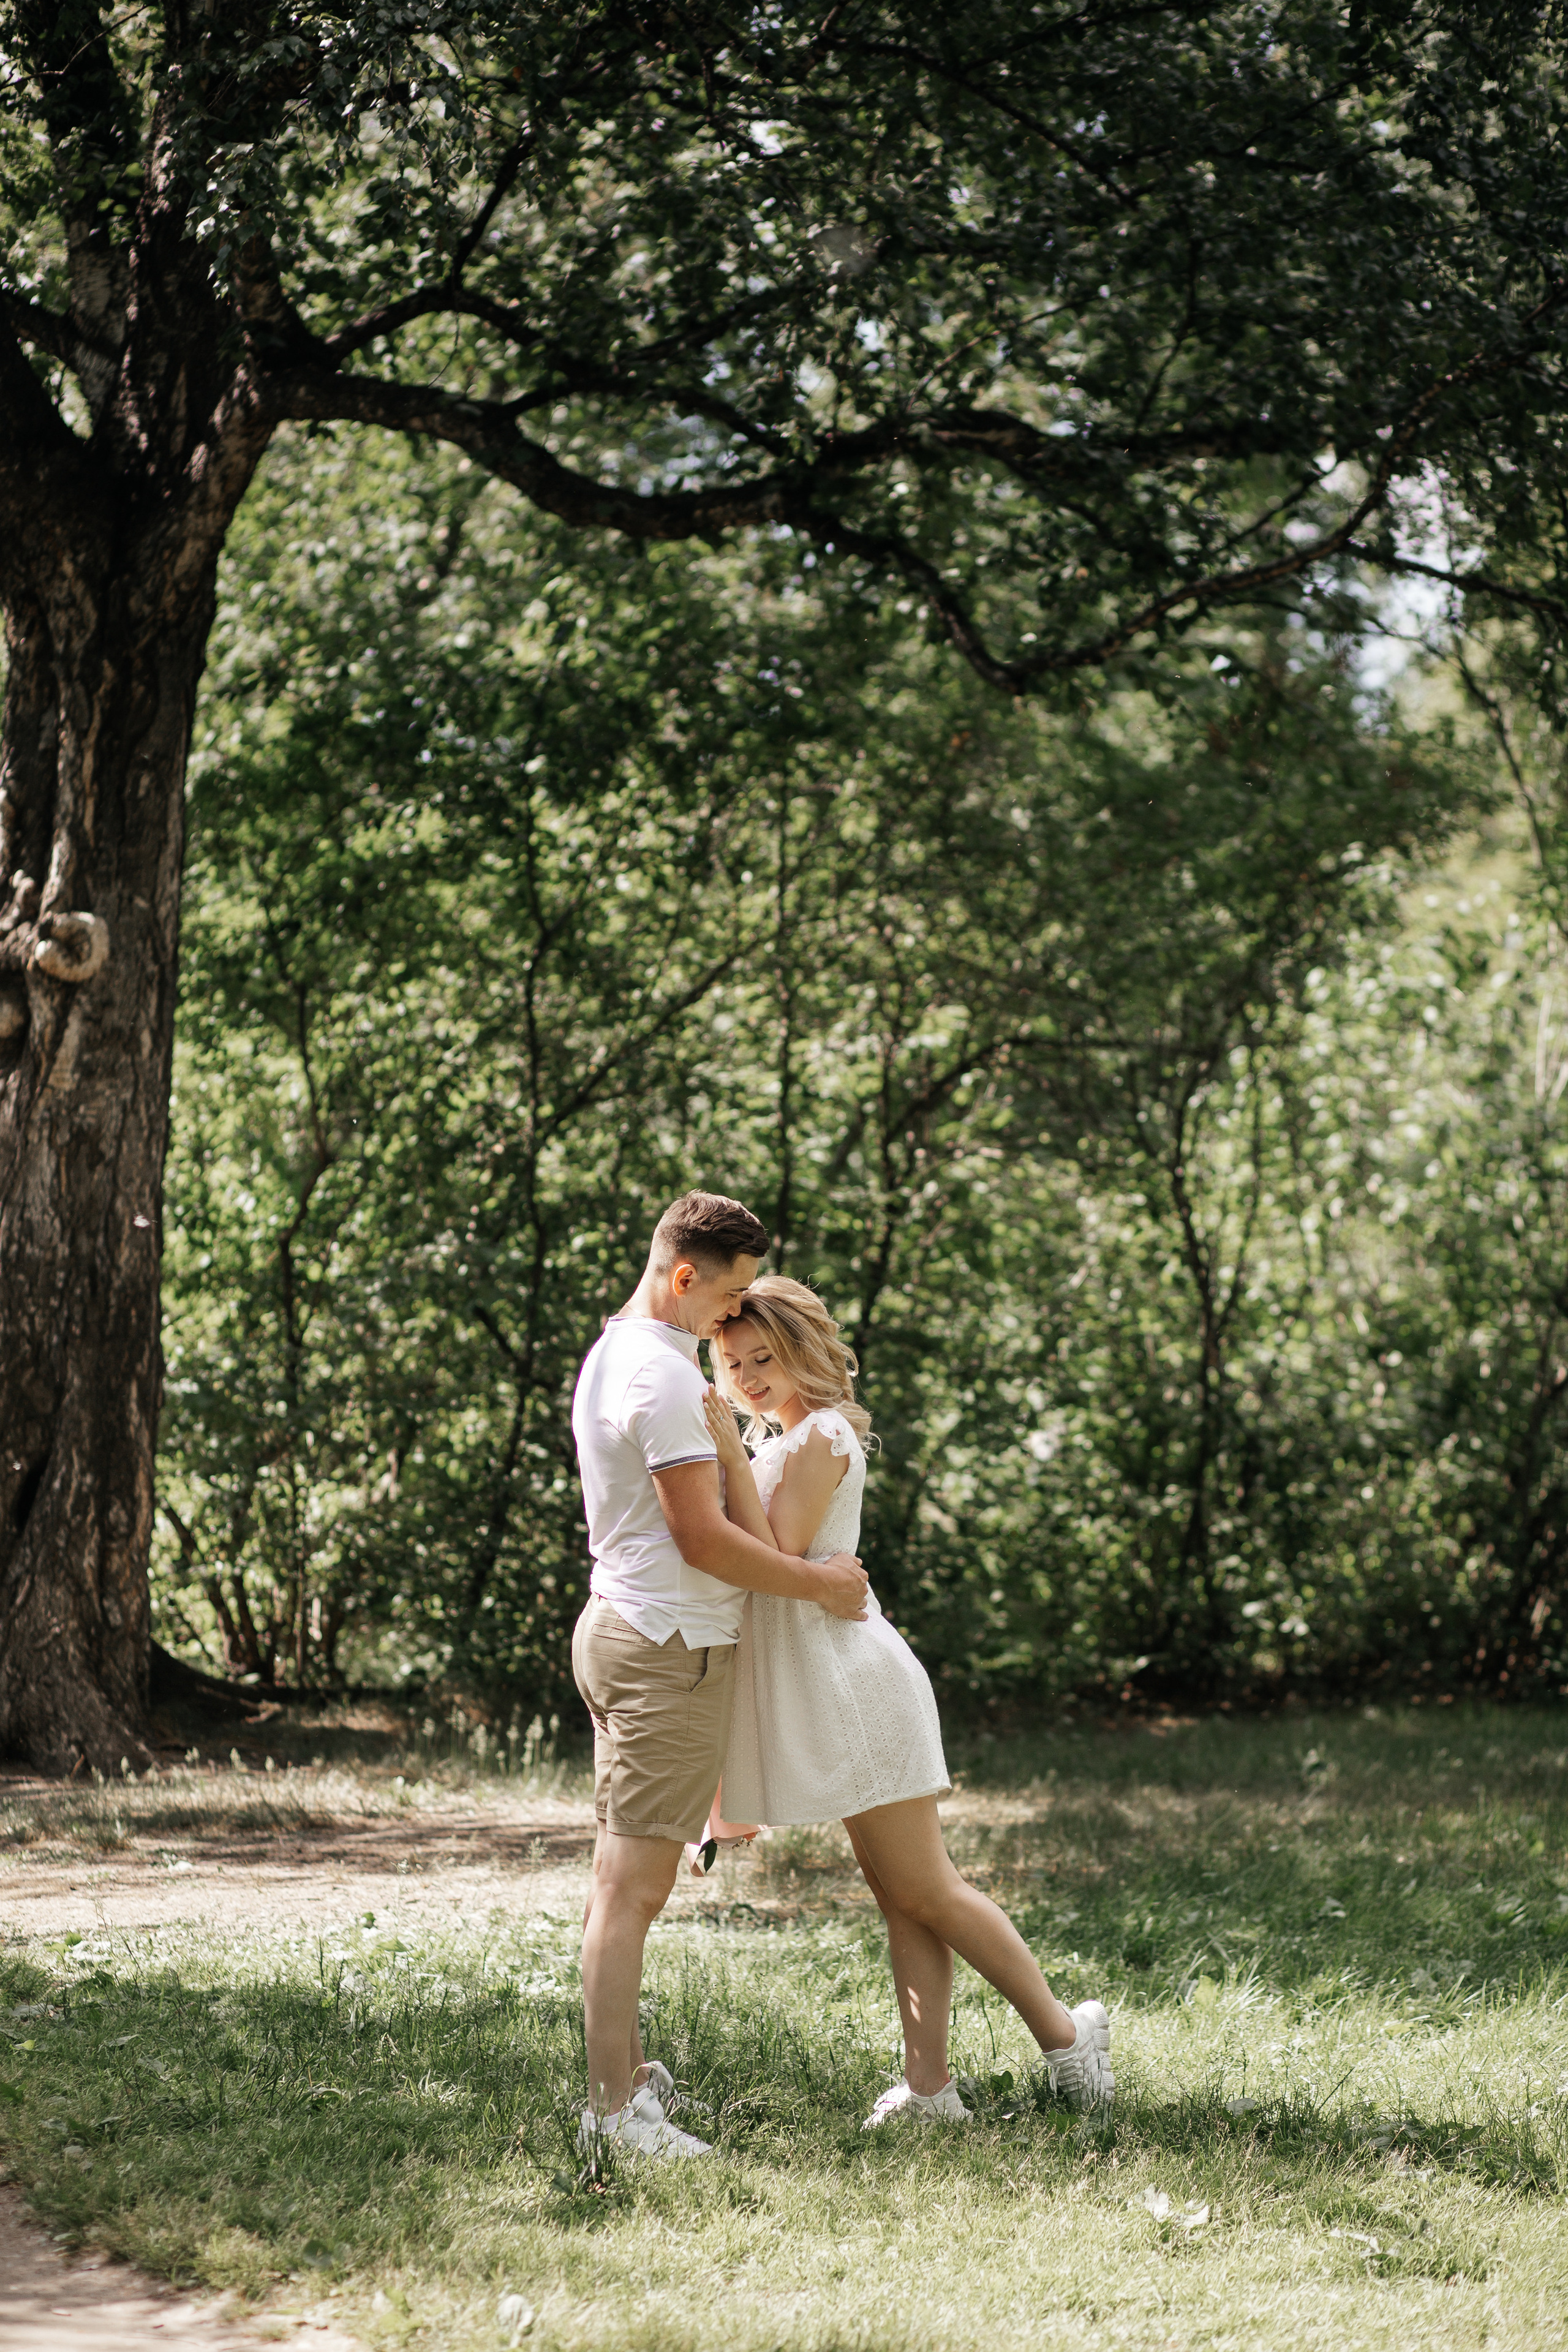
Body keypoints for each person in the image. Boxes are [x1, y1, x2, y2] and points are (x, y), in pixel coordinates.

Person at [705, 1274, 1113, 2127]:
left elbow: (776, 1551)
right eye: (733, 1360)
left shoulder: (818, 1437)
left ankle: (1068, 2036)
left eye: (763, 1358)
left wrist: (727, 1452)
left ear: (804, 1353)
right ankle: (930, 2088)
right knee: (904, 1896)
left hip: (856, 1688)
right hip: (823, 1688)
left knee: (927, 1888)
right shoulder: (777, 1441)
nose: (745, 1376)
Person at [569, 1193, 870, 2162]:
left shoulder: (625, 1352)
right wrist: (821, 1584)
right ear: (684, 1275)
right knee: (632, 1889)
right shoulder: (659, 1374)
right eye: (730, 1292)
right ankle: (612, 2117)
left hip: (635, 1630)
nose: (734, 1315)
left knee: (627, 1879)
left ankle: (626, 2084)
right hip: (667, 1648)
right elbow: (705, 1541)